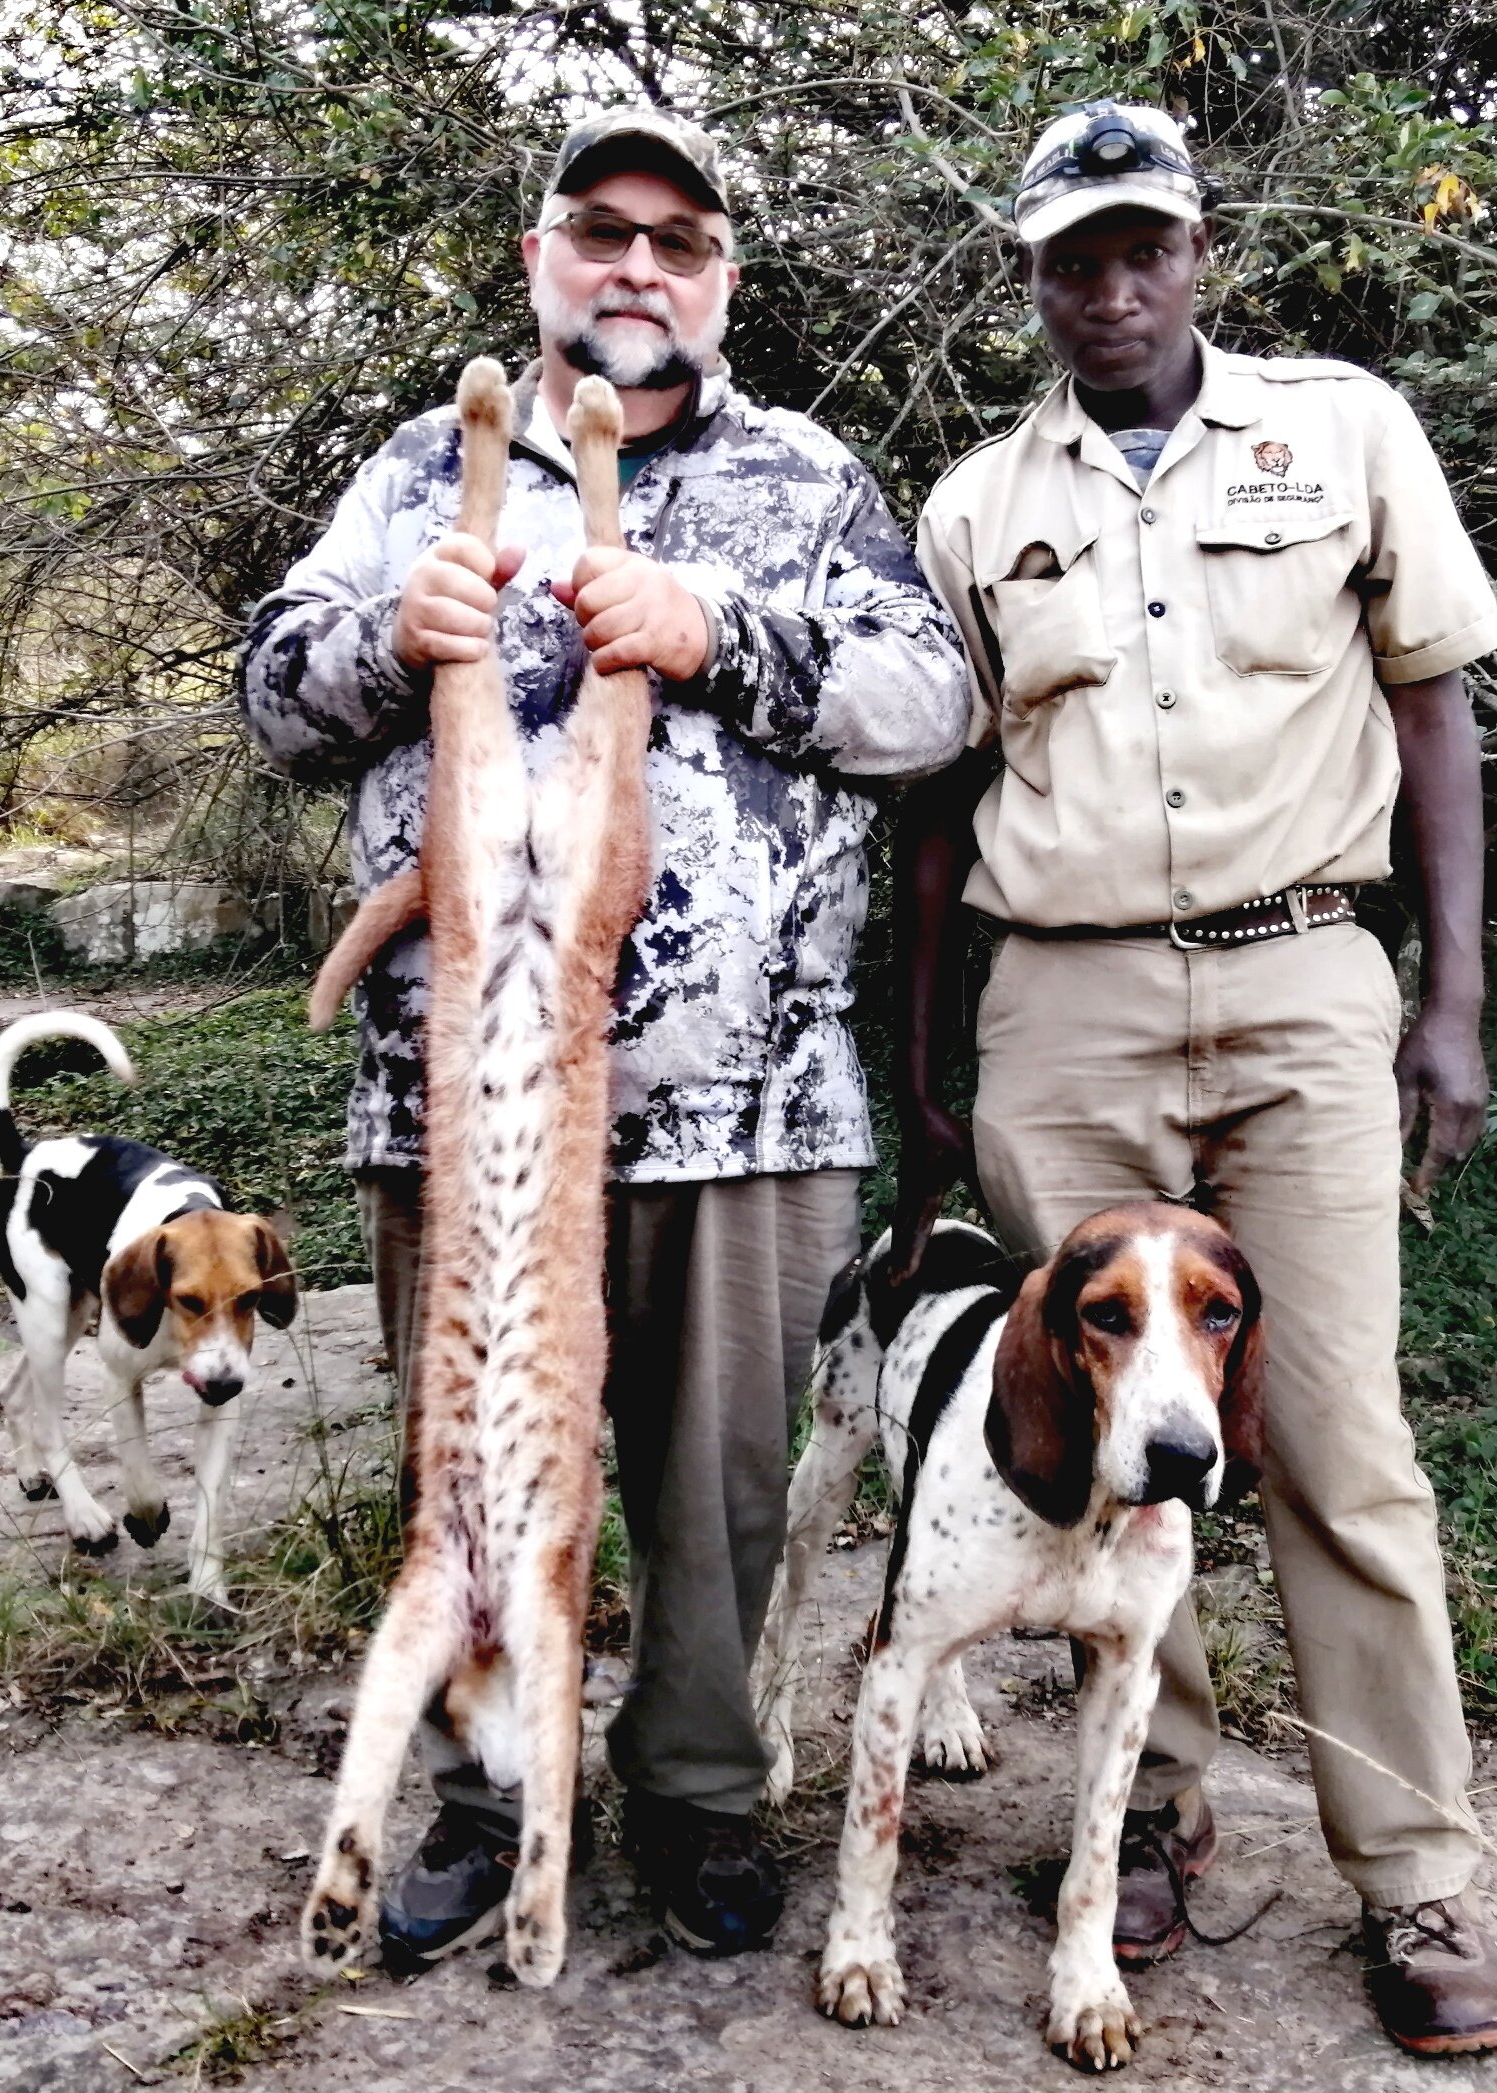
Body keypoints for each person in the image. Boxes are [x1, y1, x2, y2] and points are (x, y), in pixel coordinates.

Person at [240, 108, 972, 1963]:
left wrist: (717, 626)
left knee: (718, 1494)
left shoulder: (805, 477)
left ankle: (698, 1804)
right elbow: (278, 692)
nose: (640, 264)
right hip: (463, 1095)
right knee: (472, 1471)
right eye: (603, 230)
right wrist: (380, 639)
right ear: (540, 261)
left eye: (683, 240)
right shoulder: (415, 471)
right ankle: (492, 1796)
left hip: (750, 1097)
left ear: (722, 280)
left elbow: (934, 701)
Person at [902, 100, 1497, 2055]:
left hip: (1302, 983)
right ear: (1033, 280)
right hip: (1060, 1011)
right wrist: (920, 1044)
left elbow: (1435, 704)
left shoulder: (1342, 432)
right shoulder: (977, 507)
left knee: (1336, 1442)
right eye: (1069, 258)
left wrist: (1452, 1001)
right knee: (1098, 1448)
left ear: (1195, 254)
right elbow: (938, 798)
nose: (1108, 286)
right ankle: (1144, 1822)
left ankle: (1411, 1883)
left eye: (1138, 247)